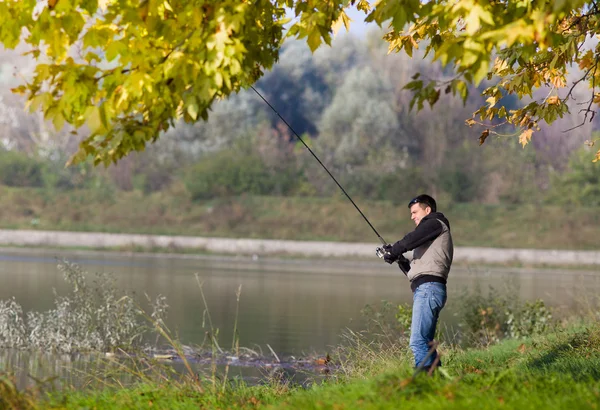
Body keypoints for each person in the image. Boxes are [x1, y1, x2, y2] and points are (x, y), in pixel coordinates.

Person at [382, 194, 453, 372]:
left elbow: (411, 240)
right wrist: (398, 258)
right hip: (427, 288)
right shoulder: (430, 239)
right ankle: (438, 383)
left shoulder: (436, 223)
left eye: (415, 212)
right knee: (426, 344)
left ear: (427, 210)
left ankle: (424, 384)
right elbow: (414, 273)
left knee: (418, 342)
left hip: (429, 290)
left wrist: (395, 250)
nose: (412, 216)